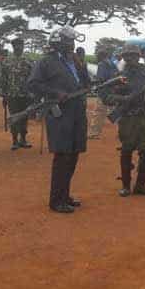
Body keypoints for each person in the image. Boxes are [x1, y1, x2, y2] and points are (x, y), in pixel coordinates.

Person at [27, 26, 90, 213]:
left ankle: (65, 195)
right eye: (68, 41)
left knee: (74, 152)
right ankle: (56, 200)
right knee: (62, 154)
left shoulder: (74, 60)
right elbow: (33, 84)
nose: (72, 44)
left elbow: (84, 82)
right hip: (60, 113)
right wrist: (55, 93)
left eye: (72, 41)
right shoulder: (45, 62)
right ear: (57, 43)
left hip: (78, 110)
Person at [100, 44, 145, 197]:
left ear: (138, 56)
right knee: (127, 150)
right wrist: (124, 99)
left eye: (133, 55)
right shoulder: (118, 75)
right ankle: (126, 185)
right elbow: (105, 96)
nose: (130, 58)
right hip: (128, 118)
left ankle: (141, 184)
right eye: (127, 56)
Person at [0, 37, 34, 150]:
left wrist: (33, 93)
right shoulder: (6, 61)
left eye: (21, 45)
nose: (19, 47)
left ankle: (23, 139)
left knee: (24, 117)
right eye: (17, 45)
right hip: (12, 94)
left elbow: (32, 78)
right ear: (13, 46)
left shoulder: (28, 61)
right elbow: (3, 79)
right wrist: (3, 95)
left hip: (25, 94)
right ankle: (14, 141)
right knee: (14, 117)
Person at [87, 50, 119, 139]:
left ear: (101, 56)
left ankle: (93, 133)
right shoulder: (113, 64)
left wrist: (94, 81)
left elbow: (101, 79)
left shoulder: (102, 64)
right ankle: (122, 132)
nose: (96, 58)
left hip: (104, 92)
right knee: (115, 113)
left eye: (97, 56)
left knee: (98, 113)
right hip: (113, 92)